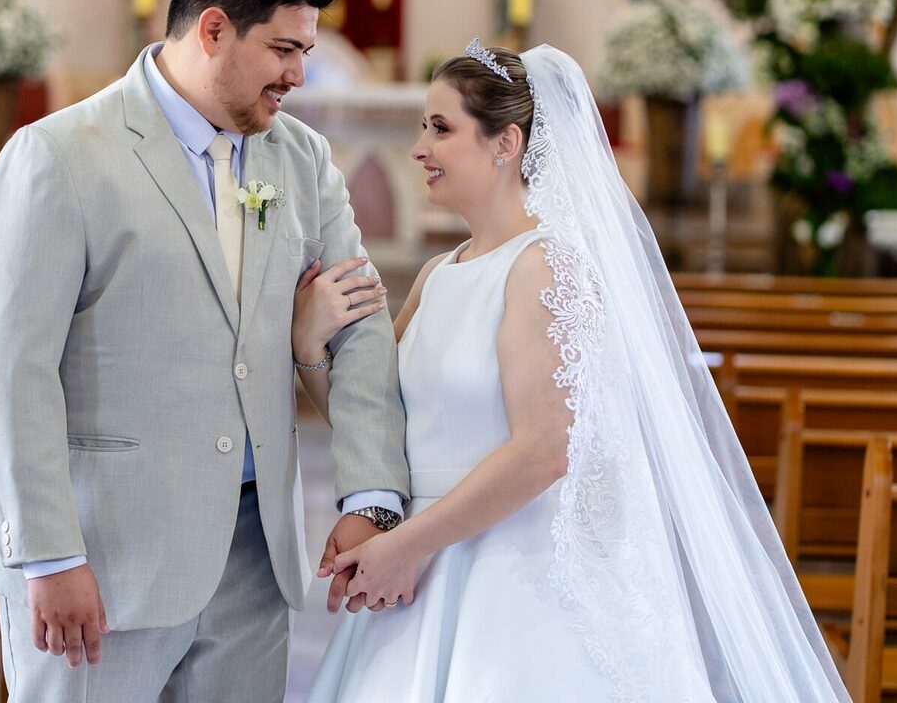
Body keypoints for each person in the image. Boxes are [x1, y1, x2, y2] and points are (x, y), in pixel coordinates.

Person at [297, 39, 853, 702]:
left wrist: (408, 544)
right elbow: (377, 421)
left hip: (508, 567)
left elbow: (544, 451)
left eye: (441, 128)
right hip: (416, 566)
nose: (420, 148)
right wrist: (309, 346)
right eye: (422, 127)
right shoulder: (438, 274)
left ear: (506, 143)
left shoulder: (546, 267)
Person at [0, 0, 410, 702]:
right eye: (283, 50)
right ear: (213, 30)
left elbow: (362, 328)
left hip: (254, 561)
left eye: (304, 52)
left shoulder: (301, 159)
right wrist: (50, 556)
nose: (299, 74)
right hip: (104, 557)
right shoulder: (60, 156)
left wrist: (370, 494)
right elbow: (12, 373)